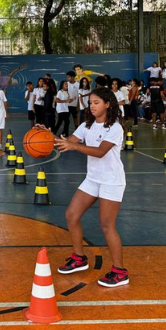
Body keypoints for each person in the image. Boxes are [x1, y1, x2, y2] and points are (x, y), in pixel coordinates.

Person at [53, 87, 129, 287]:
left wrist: (75, 146)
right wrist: (45, 136)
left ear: (107, 104)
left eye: (96, 102)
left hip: (112, 180)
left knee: (106, 225)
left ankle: (120, 272)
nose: (92, 106)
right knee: (71, 215)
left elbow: (100, 152)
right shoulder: (87, 125)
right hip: (93, 179)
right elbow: (67, 143)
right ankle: (79, 258)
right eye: (90, 103)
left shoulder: (115, 128)